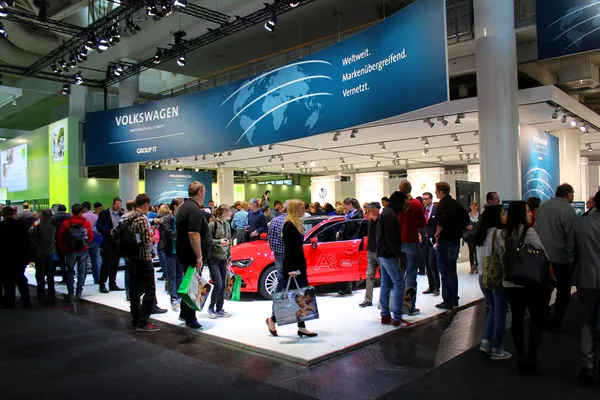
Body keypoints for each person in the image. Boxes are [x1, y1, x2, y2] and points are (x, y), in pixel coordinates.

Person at [502, 201, 551, 375]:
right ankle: (531, 356)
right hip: (529, 282)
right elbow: (542, 254)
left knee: (517, 318)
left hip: (510, 282)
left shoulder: (503, 233)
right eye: (527, 211)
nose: (530, 213)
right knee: (536, 318)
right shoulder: (528, 231)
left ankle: (521, 356)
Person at [266, 200, 317, 338]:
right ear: (295, 209)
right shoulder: (288, 225)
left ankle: (302, 327)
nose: (303, 210)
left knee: (301, 296)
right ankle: (273, 319)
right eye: (301, 208)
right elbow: (288, 249)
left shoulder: (296, 223)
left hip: (299, 263)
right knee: (291, 296)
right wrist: (290, 269)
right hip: (293, 265)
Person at [534, 183, 576, 332]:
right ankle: (556, 320)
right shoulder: (568, 210)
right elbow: (571, 238)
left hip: (541, 257)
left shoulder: (543, 206)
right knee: (563, 290)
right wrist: (571, 259)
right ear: (568, 194)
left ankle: (541, 318)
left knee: (543, 290)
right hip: (559, 257)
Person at [473, 204, 511, 360]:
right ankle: (496, 347)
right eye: (502, 213)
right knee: (500, 311)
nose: (505, 216)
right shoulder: (499, 234)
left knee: (494, 308)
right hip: (496, 276)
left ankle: (485, 341)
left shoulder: (481, 234)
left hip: (483, 276)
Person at [177, 182, 213, 330]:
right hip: (192, 255)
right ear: (199, 192)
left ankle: (184, 313)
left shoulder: (186, 206)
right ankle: (190, 318)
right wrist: (199, 256)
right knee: (193, 286)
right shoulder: (193, 209)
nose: (204, 194)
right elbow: (193, 233)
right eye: (204, 191)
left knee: (188, 283)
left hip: (186, 253)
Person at [574, 190, 600, 384]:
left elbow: (572, 251)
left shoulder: (582, 223)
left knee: (587, 323)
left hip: (588, 279)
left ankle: (588, 366)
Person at [377, 191, 411, 327]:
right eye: (403, 203)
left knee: (386, 283)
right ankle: (397, 317)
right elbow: (391, 238)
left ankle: (385, 315)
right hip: (389, 254)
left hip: (383, 253)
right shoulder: (390, 215)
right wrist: (399, 255)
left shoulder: (386, 213)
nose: (404, 206)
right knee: (399, 284)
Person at [434, 182, 469, 311]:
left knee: (445, 272)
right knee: (452, 271)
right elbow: (466, 219)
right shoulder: (456, 203)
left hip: (444, 241)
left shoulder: (442, 204)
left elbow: (441, 222)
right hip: (455, 241)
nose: (436, 193)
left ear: (441, 191)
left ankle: (447, 300)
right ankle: (454, 298)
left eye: (436, 191)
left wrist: (437, 235)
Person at [128, 194, 160, 333]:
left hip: (132, 258)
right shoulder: (141, 219)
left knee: (135, 291)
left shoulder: (129, 217)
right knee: (150, 291)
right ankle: (143, 322)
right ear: (146, 204)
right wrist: (154, 237)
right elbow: (146, 240)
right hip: (143, 258)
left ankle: (135, 318)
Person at [397, 180, 426, 316]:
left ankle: (397, 305)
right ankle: (409, 306)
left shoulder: (396, 205)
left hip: (398, 243)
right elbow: (423, 223)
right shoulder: (416, 204)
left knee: (398, 276)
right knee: (411, 277)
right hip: (412, 242)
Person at [57, 204, 94, 301]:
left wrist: (63, 249)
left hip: (70, 251)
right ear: (81, 212)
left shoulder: (66, 223)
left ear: (72, 211)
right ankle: (79, 291)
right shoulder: (85, 223)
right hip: (83, 250)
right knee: (82, 272)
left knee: (70, 271)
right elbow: (90, 237)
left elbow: (60, 237)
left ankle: (70, 292)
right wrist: (85, 244)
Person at [0, 206, 31, 308]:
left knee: (7, 280)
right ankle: (26, 299)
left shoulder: (2, 226)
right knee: (20, 277)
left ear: (2, 214)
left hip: (5, 257)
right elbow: (27, 241)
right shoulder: (22, 225)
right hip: (20, 256)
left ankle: (9, 301)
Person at [207, 205, 233, 319]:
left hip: (223, 258)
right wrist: (218, 242)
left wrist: (229, 255)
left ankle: (220, 308)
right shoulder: (212, 224)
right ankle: (211, 307)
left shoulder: (227, 224)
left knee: (223, 285)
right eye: (228, 211)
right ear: (222, 212)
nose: (230, 213)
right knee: (218, 284)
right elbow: (207, 240)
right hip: (213, 258)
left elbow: (229, 241)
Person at [159, 198, 184, 311]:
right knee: (171, 276)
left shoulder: (182, 218)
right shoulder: (166, 219)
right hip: (170, 250)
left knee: (180, 275)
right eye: (181, 204)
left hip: (180, 250)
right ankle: (173, 298)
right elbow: (169, 234)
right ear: (175, 206)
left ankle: (179, 296)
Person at [97, 197, 125, 294]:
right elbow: (99, 226)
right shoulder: (104, 213)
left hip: (117, 242)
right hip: (108, 241)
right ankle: (102, 284)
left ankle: (112, 284)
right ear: (113, 204)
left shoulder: (121, 215)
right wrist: (108, 232)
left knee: (115, 264)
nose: (118, 207)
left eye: (120, 205)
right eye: (117, 205)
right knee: (106, 264)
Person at [337, 197, 364, 295]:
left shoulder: (358, 215)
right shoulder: (348, 214)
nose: (344, 206)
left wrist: (353, 243)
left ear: (350, 205)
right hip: (347, 242)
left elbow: (357, 231)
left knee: (351, 265)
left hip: (353, 244)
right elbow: (345, 227)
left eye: (345, 204)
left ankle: (353, 284)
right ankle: (351, 284)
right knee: (348, 265)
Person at [30, 209, 56, 302]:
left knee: (40, 274)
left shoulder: (38, 227)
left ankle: (41, 293)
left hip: (40, 253)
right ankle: (51, 291)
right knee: (50, 273)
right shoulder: (53, 227)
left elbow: (32, 238)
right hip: (50, 253)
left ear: (43, 217)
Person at [359, 202, 380, 308]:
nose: (368, 212)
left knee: (385, 276)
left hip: (381, 253)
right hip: (371, 251)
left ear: (377, 210)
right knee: (369, 275)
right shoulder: (370, 222)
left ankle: (383, 301)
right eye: (367, 210)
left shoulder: (383, 221)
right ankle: (368, 299)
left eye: (370, 210)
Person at [420, 192, 440, 296]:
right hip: (424, 240)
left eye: (426, 199)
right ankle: (431, 286)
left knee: (432, 263)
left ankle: (437, 286)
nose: (425, 201)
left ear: (431, 199)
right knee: (427, 263)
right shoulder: (422, 211)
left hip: (433, 240)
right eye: (423, 199)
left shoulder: (436, 210)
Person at [268, 201, 288, 291]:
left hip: (278, 252)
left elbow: (270, 237)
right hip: (289, 253)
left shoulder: (274, 221)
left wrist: (274, 249)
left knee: (280, 276)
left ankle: (280, 297)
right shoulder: (293, 222)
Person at [82, 201, 101, 285]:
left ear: (85, 208)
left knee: (84, 261)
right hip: (95, 239)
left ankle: (82, 279)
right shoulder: (95, 216)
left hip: (85, 241)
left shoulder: (83, 216)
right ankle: (97, 278)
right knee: (95, 260)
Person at [51, 204, 71, 284]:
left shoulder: (53, 218)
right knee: (69, 260)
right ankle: (69, 278)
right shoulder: (69, 217)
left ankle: (64, 277)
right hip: (69, 240)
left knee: (60, 259)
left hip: (57, 240)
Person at [155, 204, 172, 282]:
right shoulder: (171, 218)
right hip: (169, 242)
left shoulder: (158, 219)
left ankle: (166, 277)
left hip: (161, 242)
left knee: (163, 261)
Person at [465, 201, 480, 275]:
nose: (473, 207)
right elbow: (464, 225)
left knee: (477, 251)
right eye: (472, 205)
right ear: (470, 207)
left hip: (477, 235)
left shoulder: (479, 216)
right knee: (471, 251)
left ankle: (477, 266)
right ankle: (472, 267)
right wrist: (467, 227)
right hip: (469, 236)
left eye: (475, 205)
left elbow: (479, 224)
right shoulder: (467, 216)